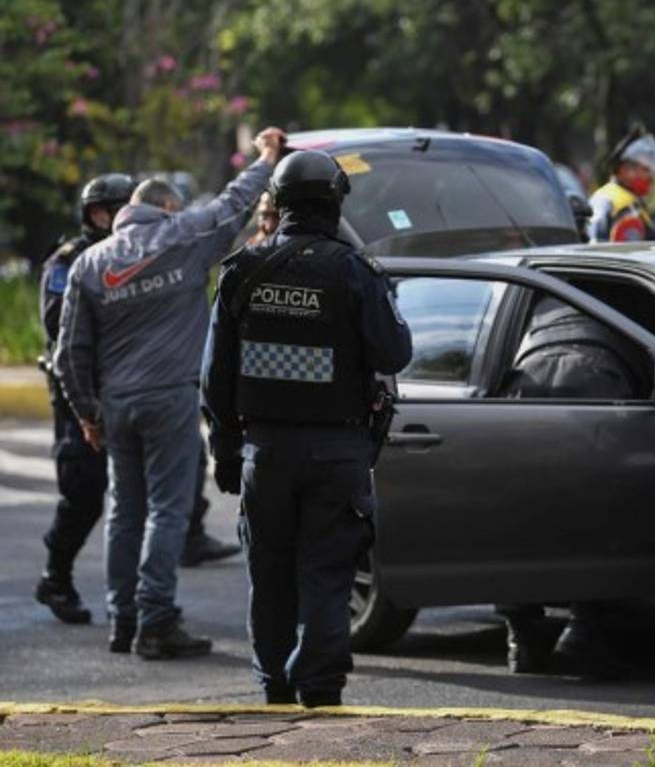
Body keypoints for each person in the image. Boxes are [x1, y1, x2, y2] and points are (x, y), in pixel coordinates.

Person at [54, 127, 286, 659]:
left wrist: (87, 412)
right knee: (167, 510)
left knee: (125, 512)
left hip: (115, 403)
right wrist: (269, 158)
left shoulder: (90, 264)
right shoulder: (181, 235)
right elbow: (235, 203)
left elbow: (71, 352)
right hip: (168, 399)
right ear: (163, 206)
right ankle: (155, 620)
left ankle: (123, 618)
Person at [201, 149, 413, 708]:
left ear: (281, 202)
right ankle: (316, 683)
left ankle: (273, 682)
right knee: (327, 573)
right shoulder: (354, 271)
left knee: (268, 575)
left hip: (263, 451)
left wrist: (224, 452)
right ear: (336, 200)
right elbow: (395, 351)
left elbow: (215, 377)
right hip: (337, 451)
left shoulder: (242, 270)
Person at [495, 294, 642, 677]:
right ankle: (582, 630)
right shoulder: (621, 305)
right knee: (595, 517)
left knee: (521, 519)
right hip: (593, 388)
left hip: (525, 388)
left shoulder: (537, 299)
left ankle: (521, 639)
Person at [34, 174, 132, 624]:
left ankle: (139, 598)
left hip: (130, 390)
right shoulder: (69, 262)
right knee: (85, 490)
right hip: (81, 395)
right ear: (97, 214)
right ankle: (55, 577)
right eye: (121, 208)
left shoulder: (134, 256)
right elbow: (61, 328)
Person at [588, 126, 655, 242]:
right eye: (646, 169)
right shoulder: (626, 206)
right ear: (625, 170)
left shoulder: (603, 194)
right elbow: (635, 253)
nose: (651, 177)